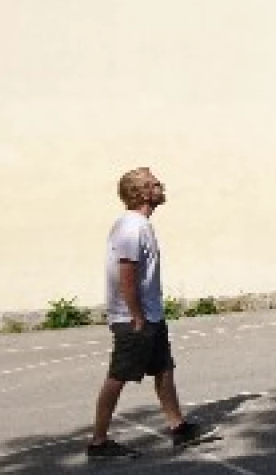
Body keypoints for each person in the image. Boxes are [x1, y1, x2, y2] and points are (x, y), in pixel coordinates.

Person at [85, 167, 220, 459]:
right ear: (143, 192)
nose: (161, 186)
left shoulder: (139, 225)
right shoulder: (132, 227)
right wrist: (136, 315)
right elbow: (127, 273)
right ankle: (98, 442)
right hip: (134, 318)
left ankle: (178, 427)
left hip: (150, 315)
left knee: (163, 369)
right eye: (155, 184)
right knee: (118, 376)